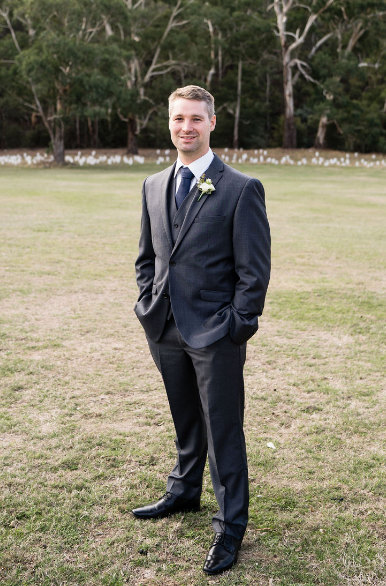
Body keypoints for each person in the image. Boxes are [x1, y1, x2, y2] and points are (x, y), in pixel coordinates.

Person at [132, 85, 271, 575]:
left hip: (217, 333)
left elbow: (254, 272)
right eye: (177, 119)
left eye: (195, 119)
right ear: (169, 123)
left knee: (223, 431)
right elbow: (147, 256)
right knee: (186, 419)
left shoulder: (239, 187)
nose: (185, 128)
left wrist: (237, 325)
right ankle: (184, 491)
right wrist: (148, 303)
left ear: (213, 122)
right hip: (165, 327)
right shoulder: (152, 184)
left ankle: (230, 526)